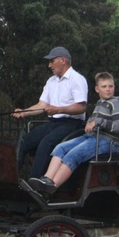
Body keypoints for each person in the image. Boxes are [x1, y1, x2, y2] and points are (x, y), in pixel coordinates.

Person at [29, 72, 119, 196]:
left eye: (110, 86)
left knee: (74, 154)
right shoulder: (99, 104)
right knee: (61, 147)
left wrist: (98, 122)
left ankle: (52, 188)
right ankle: (46, 180)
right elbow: (94, 123)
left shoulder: (117, 102)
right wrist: (89, 124)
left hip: (108, 141)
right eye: (104, 86)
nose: (108, 89)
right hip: (92, 137)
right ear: (97, 89)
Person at [13, 46, 88, 180]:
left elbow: (81, 107)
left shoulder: (77, 79)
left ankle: (33, 184)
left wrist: (59, 109)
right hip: (54, 123)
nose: (49, 65)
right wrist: (24, 112)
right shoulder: (51, 81)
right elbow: (42, 105)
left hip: (72, 124)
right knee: (24, 141)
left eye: (52, 61)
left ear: (63, 60)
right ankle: (13, 179)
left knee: (46, 143)